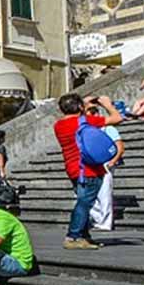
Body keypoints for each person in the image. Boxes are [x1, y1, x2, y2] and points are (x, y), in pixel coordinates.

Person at [53, 93, 123, 250]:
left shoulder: (59, 125)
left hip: (73, 169)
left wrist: (82, 104)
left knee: (84, 201)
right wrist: (107, 104)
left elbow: (78, 117)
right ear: (79, 107)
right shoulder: (84, 121)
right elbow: (117, 118)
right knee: (84, 203)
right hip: (88, 170)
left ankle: (83, 236)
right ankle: (73, 236)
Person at [83, 98, 126, 232]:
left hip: (105, 163)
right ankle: (97, 219)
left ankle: (105, 222)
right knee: (91, 194)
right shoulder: (87, 128)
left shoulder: (108, 128)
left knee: (104, 193)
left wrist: (112, 161)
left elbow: (120, 147)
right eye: (89, 111)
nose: (90, 114)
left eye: (93, 111)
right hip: (90, 163)